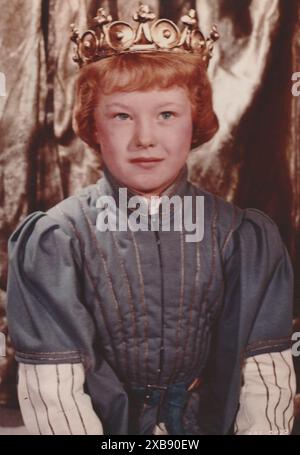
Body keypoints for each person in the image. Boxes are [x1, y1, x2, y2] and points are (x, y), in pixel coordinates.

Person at [6, 5, 296, 435]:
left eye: (166, 114)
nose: (145, 138)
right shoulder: (56, 239)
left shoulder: (242, 236)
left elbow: (264, 376)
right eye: (122, 115)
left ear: (194, 122)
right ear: (94, 126)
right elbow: (55, 391)